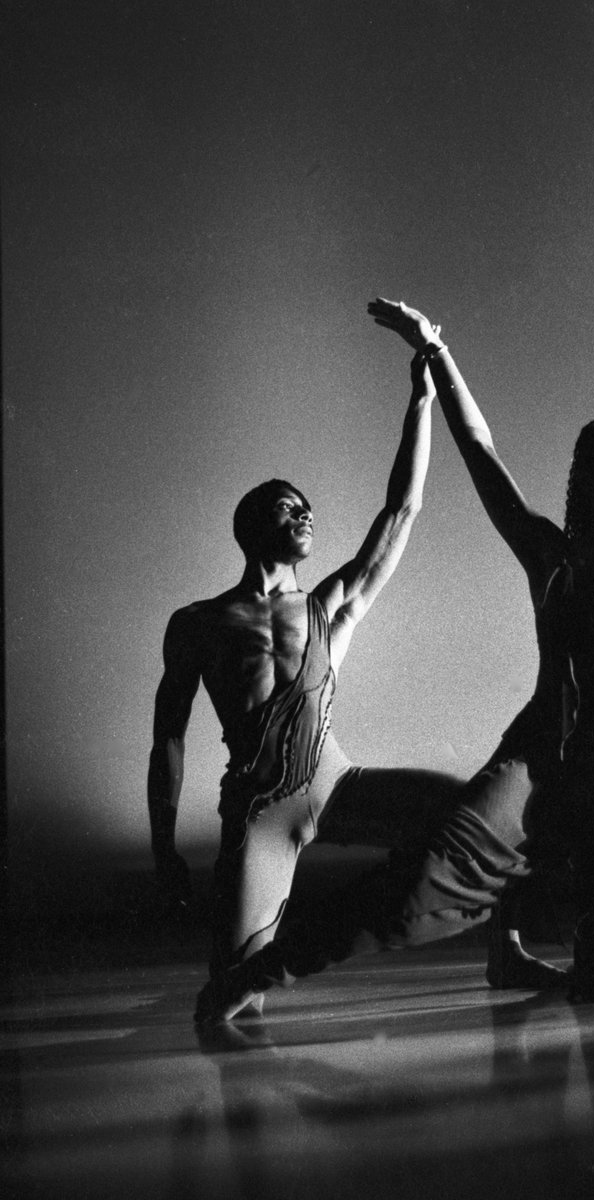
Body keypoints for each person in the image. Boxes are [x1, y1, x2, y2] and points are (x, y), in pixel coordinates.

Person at [195, 298, 594, 1021]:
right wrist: (433, 350)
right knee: (422, 883)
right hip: (543, 760)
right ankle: (265, 971)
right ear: (585, 474)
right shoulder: (548, 558)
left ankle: (536, 952)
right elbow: (480, 450)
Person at [149, 350, 466, 1002]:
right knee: (232, 994)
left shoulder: (330, 607)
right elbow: (169, 739)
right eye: (288, 508)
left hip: (339, 785)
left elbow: (400, 511)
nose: (305, 516)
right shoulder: (197, 623)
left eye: (308, 510)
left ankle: (506, 952)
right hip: (260, 814)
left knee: (477, 817)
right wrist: (164, 846)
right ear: (250, 526)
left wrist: (422, 399)